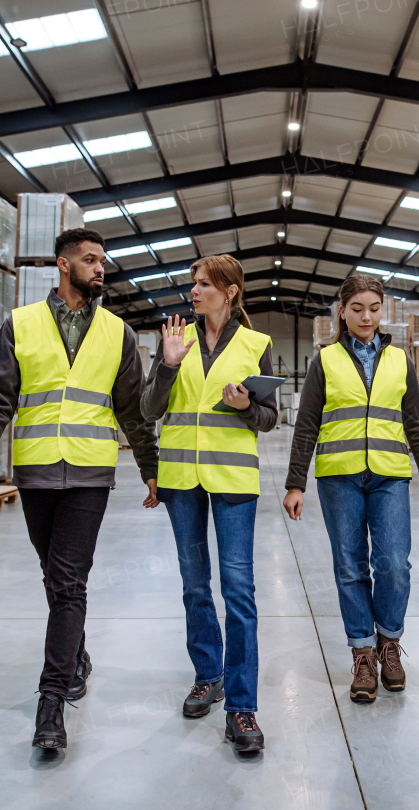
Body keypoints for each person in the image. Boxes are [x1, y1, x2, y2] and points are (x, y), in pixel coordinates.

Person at [0, 228, 159, 752]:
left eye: (103, 260)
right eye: (91, 260)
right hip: (36, 471)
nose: (101, 269)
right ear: (63, 265)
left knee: (70, 581)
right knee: (54, 575)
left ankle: (51, 702)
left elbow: (133, 409)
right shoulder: (21, 324)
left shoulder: (117, 332)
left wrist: (150, 466)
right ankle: (76, 652)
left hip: (90, 473)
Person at [282, 275, 419, 704]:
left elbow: (416, 422)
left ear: (382, 309)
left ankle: (389, 642)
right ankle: (363, 655)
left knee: (393, 564)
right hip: (339, 477)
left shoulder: (399, 359)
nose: (366, 316)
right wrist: (295, 482)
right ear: (343, 311)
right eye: (357, 308)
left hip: (390, 474)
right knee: (350, 567)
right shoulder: (326, 360)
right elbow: (306, 425)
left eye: (374, 307)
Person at [141, 254, 277, 754]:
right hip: (181, 481)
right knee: (195, 585)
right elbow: (149, 410)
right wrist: (168, 366)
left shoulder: (256, 344)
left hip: (234, 482)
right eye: (193, 283)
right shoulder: (177, 341)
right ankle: (208, 675)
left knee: (239, 591)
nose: (194, 291)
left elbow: (269, 418)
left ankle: (242, 707)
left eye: (204, 284)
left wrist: (246, 406)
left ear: (230, 291)